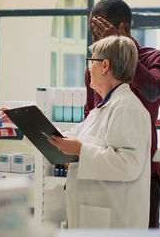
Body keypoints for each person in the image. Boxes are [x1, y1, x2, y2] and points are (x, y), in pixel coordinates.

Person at [48, 36, 151, 228]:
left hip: (114, 220)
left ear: (104, 65)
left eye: (91, 62)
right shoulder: (102, 108)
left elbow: (128, 164)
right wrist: (26, 123)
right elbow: (67, 138)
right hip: (93, 215)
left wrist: (80, 150)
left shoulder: (127, 108)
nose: (88, 69)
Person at [85, 0, 160, 228]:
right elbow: (89, 115)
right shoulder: (95, 68)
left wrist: (121, 50)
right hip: (101, 168)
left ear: (123, 29)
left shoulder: (154, 58)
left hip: (143, 170)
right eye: (93, 36)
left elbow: (153, 91)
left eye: (102, 34)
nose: (97, 43)